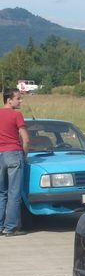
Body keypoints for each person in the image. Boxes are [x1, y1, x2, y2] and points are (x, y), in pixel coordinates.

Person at [0, 88, 30, 236]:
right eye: (18, 98)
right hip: (13, 153)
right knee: (14, 193)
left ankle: (0, 226)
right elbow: (26, 139)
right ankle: (10, 227)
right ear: (9, 100)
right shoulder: (16, 115)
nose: (20, 101)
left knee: (1, 192)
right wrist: (25, 155)